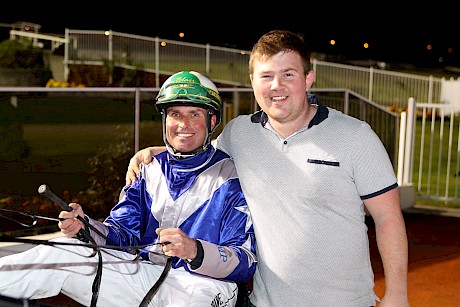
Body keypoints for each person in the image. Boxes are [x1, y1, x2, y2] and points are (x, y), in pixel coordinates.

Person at [125, 30, 410, 307]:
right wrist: (153, 152)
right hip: (264, 302)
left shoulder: (355, 136)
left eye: (288, 74)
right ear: (253, 81)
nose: (277, 86)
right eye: (266, 76)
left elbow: (388, 219)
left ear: (308, 78)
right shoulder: (240, 134)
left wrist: (397, 295)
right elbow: (200, 151)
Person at [0, 70, 257, 307]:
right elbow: (122, 235)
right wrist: (86, 226)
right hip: (143, 272)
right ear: (165, 119)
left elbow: (245, 261)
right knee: (62, 252)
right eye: (175, 114)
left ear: (212, 121)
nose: (183, 124)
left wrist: (195, 250)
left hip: (204, 285)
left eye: (194, 114)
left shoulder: (232, 176)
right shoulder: (147, 167)